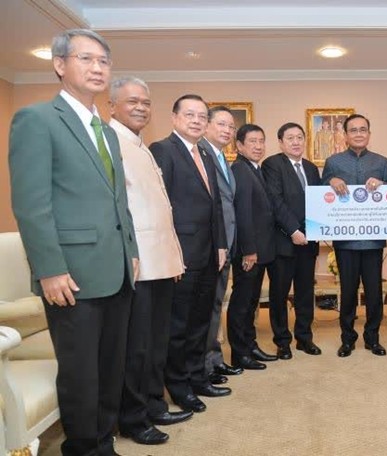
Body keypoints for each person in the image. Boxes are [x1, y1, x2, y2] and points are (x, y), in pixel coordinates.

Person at [9, 29, 139, 455]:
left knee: (110, 365)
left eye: (104, 61)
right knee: (81, 370)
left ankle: (103, 442)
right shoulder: (37, 119)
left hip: (117, 268)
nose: (98, 68)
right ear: (60, 65)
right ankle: (82, 447)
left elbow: (119, 201)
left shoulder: (106, 130)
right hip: (71, 273)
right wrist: (49, 268)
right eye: (86, 59)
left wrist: (132, 251)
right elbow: (32, 205)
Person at [109, 77, 189, 445]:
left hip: (160, 262)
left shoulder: (140, 146)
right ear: (112, 106)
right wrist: (129, 255)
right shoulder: (111, 143)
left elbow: (159, 209)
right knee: (137, 346)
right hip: (138, 264)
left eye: (145, 102)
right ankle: (133, 418)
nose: (141, 108)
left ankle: (154, 404)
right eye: (132, 101)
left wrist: (174, 258)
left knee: (157, 342)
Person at [150, 94, 230, 415]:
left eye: (201, 116)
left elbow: (216, 205)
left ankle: (198, 378)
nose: (197, 121)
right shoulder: (163, 150)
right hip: (181, 255)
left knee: (200, 321)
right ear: (174, 118)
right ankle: (179, 386)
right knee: (179, 325)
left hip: (209, 253)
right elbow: (161, 206)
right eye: (190, 115)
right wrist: (171, 251)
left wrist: (221, 244)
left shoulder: (206, 155)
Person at [322, 113, 387, 357]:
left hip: (373, 240)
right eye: (353, 130)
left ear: (369, 134)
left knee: (374, 293)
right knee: (348, 292)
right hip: (345, 242)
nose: (359, 134)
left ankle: (373, 338)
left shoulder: (381, 162)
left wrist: (383, 185)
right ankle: (347, 339)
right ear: (345, 135)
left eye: (363, 129)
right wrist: (331, 181)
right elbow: (320, 193)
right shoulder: (333, 162)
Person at [262, 122, 322, 359]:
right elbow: (275, 201)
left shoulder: (311, 168)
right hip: (284, 242)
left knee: (305, 293)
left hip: (309, 242)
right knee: (279, 294)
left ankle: (304, 338)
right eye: (290, 138)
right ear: (280, 142)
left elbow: (319, 202)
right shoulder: (272, 165)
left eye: (299, 137)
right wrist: (294, 230)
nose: (296, 142)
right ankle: (282, 341)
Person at [198, 106, 243, 385]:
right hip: (210, 245)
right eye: (221, 124)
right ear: (207, 125)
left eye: (231, 126)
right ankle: (203, 366)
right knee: (204, 308)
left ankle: (214, 360)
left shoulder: (222, 157)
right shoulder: (199, 154)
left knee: (215, 304)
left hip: (225, 243)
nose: (227, 130)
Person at [228, 124, 278, 369]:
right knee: (242, 303)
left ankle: (250, 346)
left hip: (259, 250)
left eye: (261, 141)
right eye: (252, 142)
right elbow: (243, 213)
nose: (258, 146)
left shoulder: (253, 169)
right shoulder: (240, 169)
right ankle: (240, 354)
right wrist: (249, 250)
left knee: (251, 303)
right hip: (249, 252)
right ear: (239, 145)